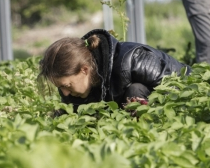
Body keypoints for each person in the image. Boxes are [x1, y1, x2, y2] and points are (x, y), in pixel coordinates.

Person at [38, 29, 191, 110]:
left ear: (84, 70)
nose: (64, 93)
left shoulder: (133, 59)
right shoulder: (73, 88)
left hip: (191, 82)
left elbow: (180, 88)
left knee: (135, 91)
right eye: (60, 87)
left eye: (66, 86)